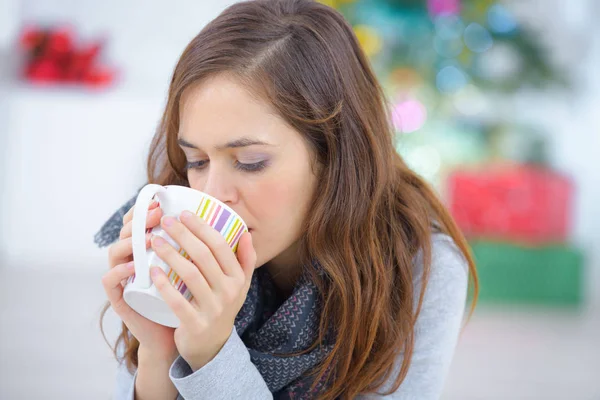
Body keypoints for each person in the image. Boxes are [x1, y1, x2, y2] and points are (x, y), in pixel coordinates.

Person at [95, 0, 479, 398]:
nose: (212, 195)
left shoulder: (416, 265)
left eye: (250, 162)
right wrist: (159, 354)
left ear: (333, 155)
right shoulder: (168, 228)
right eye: (197, 160)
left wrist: (212, 355)